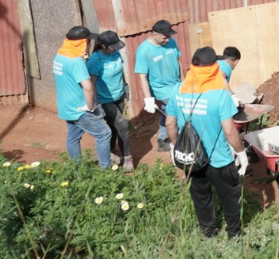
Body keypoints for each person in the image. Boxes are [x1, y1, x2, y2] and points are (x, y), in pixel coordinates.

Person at [166, 47, 248, 239]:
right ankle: (234, 235)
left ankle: (208, 232)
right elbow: (229, 130)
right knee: (230, 197)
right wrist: (241, 153)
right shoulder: (220, 94)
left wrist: (174, 146)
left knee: (200, 197)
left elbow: (170, 123)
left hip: (192, 156)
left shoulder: (177, 90)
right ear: (214, 68)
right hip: (218, 158)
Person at [54, 26, 112, 169]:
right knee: (104, 133)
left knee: (73, 136)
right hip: (80, 107)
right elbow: (87, 86)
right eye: (87, 41)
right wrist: (90, 106)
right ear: (81, 42)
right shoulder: (75, 61)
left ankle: (77, 168)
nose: (88, 44)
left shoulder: (60, 55)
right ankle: (106, 170)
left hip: (66, 105)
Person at [86, 30, 133, 172]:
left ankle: (112, 150)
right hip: (105, 100)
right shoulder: (95, 60)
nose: (116, 48)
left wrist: (125, 87)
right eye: (113, 46)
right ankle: (128, 158)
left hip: (118, 95)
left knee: (114, 126)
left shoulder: (116, 54)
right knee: (123, 125)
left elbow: (121, 71)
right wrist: (96, 103)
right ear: (104, 46)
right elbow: (91, 83)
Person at [135, 20, 183, 153]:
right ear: (154, 34)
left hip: (176, 84)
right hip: (161, 89)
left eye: (169, 36)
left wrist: (182, 82)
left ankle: (162, 139)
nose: (167, 40)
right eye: (164, 37)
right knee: (178, 112)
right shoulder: (144, 50)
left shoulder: (171, 42)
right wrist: (148, 100)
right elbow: (142, 77)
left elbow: (178, 62)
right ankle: (179, 141)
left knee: (168, 111)